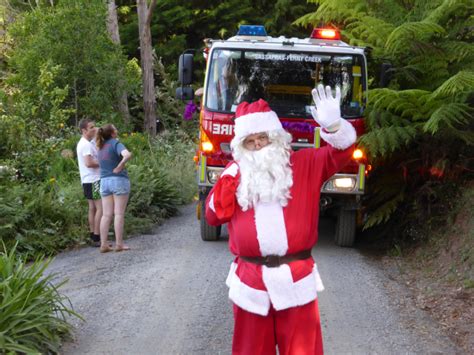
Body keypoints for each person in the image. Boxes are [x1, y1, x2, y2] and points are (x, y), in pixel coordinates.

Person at [205, 84, 357, 354]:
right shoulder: (237, 174)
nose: (258, 146)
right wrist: (229, 179)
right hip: (250, 282)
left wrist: (334, 126)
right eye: (250, 142)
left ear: (275, 137)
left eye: (262, 138)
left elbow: (341, 153)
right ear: (242, 146)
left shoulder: (305, 164)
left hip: (296, 279)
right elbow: (214, 216)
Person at [96, 124, 132, 253]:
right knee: (119, 214)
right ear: (112, 133)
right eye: (115, 129)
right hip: (118, 180)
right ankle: (119, 244)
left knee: (106, 214)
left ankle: (104, 244)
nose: (117, 130)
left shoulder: (100, 147)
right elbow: (127, 155)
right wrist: (120, 165)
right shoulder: (115, 143)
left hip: (104, 182)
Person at [76, 118, 102, 247]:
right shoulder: (85, 144)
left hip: (87, 180)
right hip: (94, 180)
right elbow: (89, 163)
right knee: (100, 208)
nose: (94, 129)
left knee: (92, 208)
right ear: (84, 130)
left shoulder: (87, 142)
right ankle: (97, 237)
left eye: (94, 126)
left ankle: (93, 234)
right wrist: (104, 163)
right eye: (91, 127)